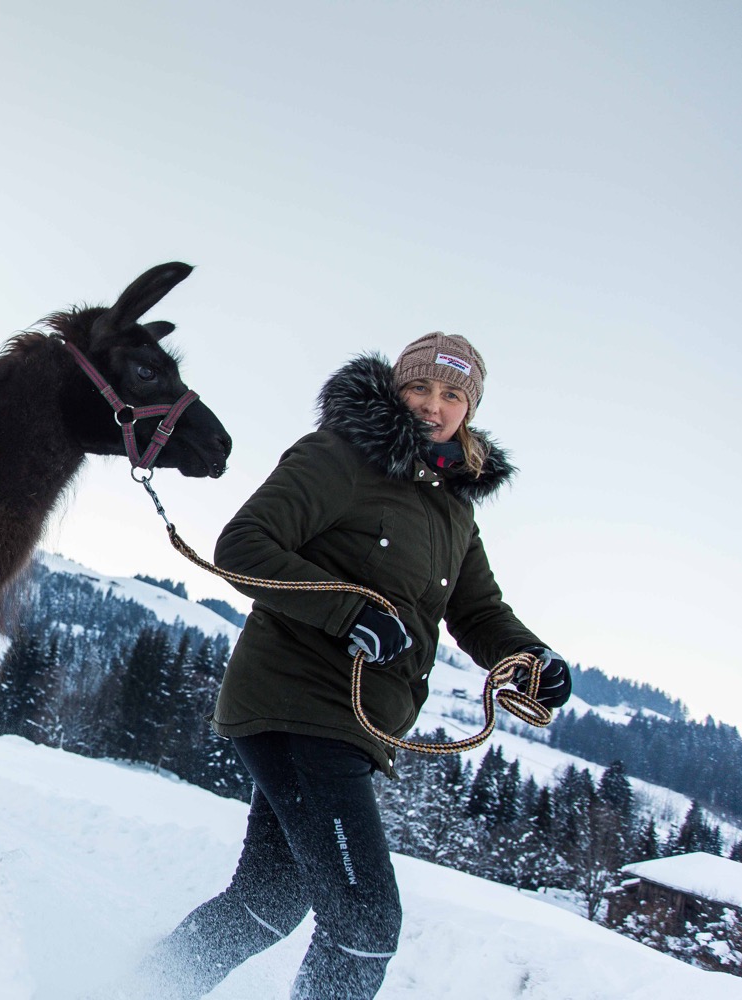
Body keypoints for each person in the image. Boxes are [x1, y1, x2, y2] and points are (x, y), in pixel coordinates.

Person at [145, 333, 572, 999]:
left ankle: (141, 986)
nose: (434, 405)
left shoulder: (452, 509)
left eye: (453, 394)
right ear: (396, 391)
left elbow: (480, 611)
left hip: (354, 723)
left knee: (268, 902)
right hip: (298, 702)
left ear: (470, 408)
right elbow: (244, 545)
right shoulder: (340, 456)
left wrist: (531, 659)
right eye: (420, 387)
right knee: (365, 924)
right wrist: (349, 612)